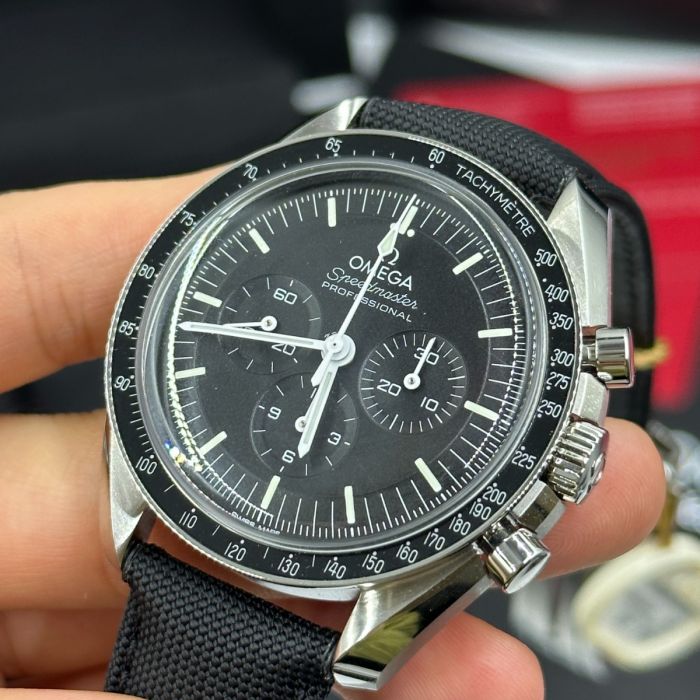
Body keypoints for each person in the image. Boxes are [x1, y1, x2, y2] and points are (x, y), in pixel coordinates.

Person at [0, 169, 666, 699]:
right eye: (335, 345)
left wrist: (368, 648)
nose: (339, 347)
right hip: (180, 512)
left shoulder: (566, 228)